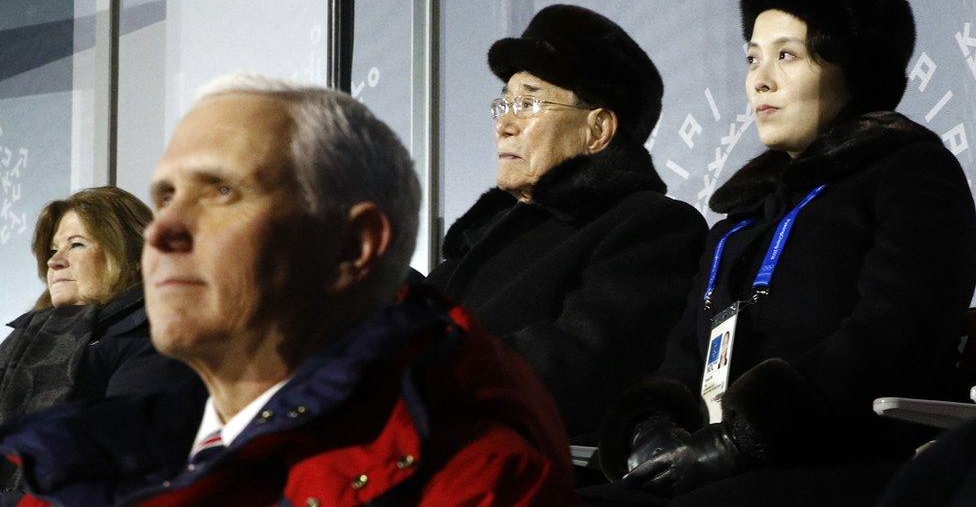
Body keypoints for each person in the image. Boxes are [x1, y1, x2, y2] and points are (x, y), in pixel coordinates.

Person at [0, 74, 576, 505]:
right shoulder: (82, 464)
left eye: (222, 193)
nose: (166, 231)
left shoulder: (479, 479)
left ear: (352, 247)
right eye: (166, 197)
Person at [596, 0, 976, 502]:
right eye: (753, 57)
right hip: (731, 469)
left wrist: (743, 440)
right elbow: (684, 355)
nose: (760, 79)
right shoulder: (742, 219)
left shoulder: (911, 172)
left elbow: (894, 335)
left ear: (856, 67)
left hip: (848, 460)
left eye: (787, 55)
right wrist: (652, 427)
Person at [425, 4, 707, 441]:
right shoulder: (481, 241)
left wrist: (427, 363)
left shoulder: (653, 226)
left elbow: (583, 365)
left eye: (530, 102)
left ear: (597, 130)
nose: (506, 124)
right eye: (505, 102)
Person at [0, 186, 200, 497]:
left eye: (76, 245)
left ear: (132, 256)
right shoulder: (26, 338)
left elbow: (118, 467)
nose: (55, 262)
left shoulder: (157, 341)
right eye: (53, 250)